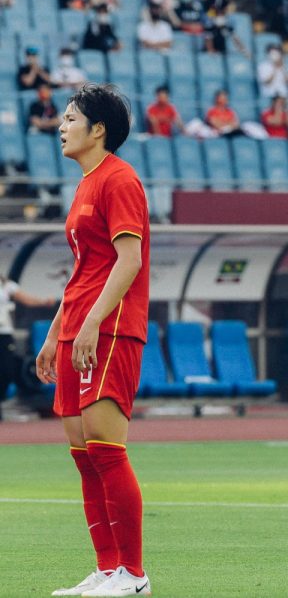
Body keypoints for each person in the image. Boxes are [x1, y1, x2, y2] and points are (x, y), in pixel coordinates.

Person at [37, 83, 152, 597]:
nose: (61, 127)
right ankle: (108, 570)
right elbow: (85, 268)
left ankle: (133, 574)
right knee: (84, 456)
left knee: (106, 449)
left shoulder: (119, 179)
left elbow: (130, 262)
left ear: (97, 128)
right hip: (78, 329)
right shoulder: (85, 184)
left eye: (69, 118)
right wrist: (54, 333)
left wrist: (89, 325)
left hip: (109, 330)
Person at [0, 275, 57, 419]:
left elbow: (27, 299)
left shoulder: (6, 285)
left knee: (7, 370)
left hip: (4, 334)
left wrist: (44, 302)